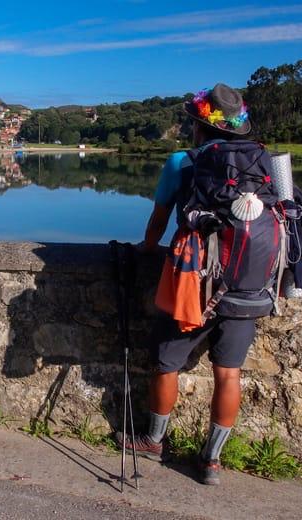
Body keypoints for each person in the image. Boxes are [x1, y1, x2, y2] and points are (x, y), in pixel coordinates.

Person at [118, 83, 265, 486]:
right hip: (247, 285)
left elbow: (159, 220)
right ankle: (211, 461)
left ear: (199, 126)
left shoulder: (181, 162)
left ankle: (153, 440)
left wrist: (148, 248)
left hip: (194, 283)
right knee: (228, 374)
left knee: (166, 363)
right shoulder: (264, 162)